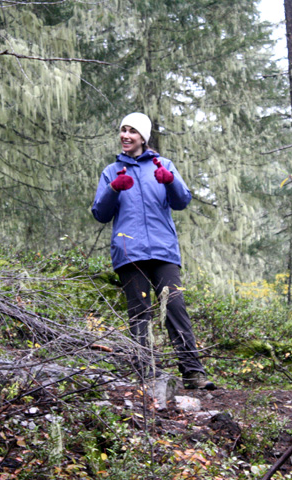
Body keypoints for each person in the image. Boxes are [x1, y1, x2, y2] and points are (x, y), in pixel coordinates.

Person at [92, 112, 214, 390]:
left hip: (163, 250)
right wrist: (113, 189)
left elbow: (182, 201)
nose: (125, 135)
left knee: (175, 306)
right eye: (123, 130)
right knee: (140, 312)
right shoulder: (111, 171)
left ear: (143, 137)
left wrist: (170, 180)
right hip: (129, 251)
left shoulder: (163, 164)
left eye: (132, 131)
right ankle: (145, 373)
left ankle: (193, 373)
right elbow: (100, 213)